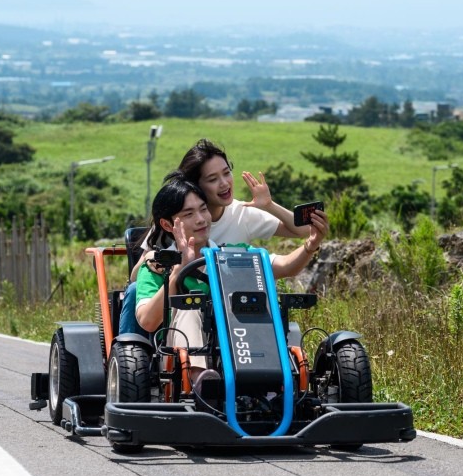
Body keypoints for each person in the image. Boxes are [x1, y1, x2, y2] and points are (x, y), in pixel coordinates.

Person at [134, 178, 327, 394]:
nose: (200, 220)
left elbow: (285, 266)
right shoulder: (157, 265)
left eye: (203, 209)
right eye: (189, 214)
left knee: (252, 305)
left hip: (236, 344)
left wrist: (311, 245)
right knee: (192, 307)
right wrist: (179, 269)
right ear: (168, 225)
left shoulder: (234, 254)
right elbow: (147, 321)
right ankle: (200, 382)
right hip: (174, 358)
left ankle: (274, 381)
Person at [118, 138, 311, 335]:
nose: (224, 183)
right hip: (178, 305)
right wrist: (161, 262)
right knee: (135, 292)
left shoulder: (242, 213)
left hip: (225, 303)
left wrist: (269, 205)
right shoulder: (176, 223)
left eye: (227, 173)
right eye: (212, 179)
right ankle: (130, 354)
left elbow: (303, 232)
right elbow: (137, 276)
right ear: (195, 186)